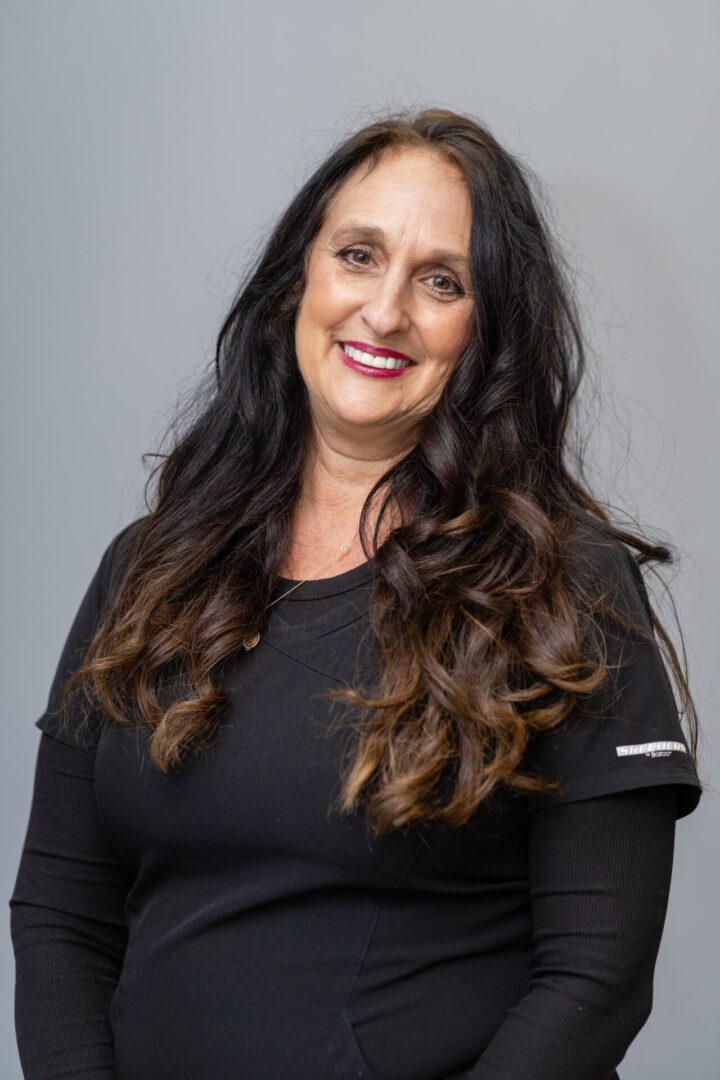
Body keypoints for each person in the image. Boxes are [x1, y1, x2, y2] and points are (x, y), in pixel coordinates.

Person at [9, 107, 703, 1080]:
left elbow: (596, 981)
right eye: (359, 256)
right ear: (300, 277)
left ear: (488, 327)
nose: (386, 312)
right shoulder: (151, 566)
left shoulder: (566, 584)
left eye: (441, 281)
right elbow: (58, 914)